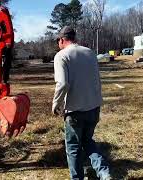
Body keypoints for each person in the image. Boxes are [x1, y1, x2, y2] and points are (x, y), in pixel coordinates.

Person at [52, 26, 111, 180]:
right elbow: (96, 80)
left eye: (58, 40)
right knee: (88, 141)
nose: (58, 43)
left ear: (62, 40)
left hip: (75, 111)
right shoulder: (90, 53)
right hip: (93, 107)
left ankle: (77, 178)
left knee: (73, 148)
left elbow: (62, 84)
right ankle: (104, 174)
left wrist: (56, 104)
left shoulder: (61, 56)